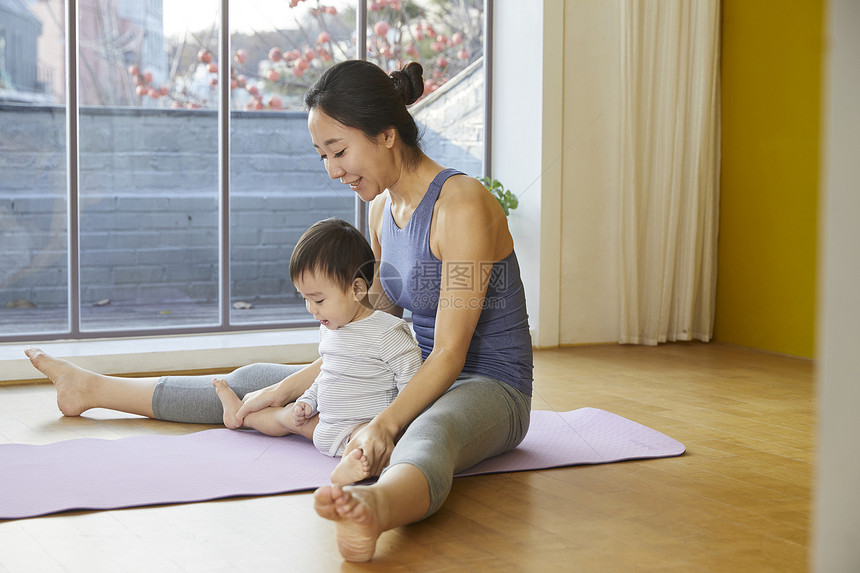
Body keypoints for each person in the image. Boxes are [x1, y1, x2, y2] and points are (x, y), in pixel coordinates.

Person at [24, 59, 533, 562]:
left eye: (338, 151)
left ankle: (373, 508)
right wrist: (290, 386)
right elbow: (372, 327)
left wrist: (384, 425)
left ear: (385, 135)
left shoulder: (462, 206)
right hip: (408, 373)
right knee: (255, 380)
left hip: (487, 386)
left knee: (428, 430)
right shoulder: (382, 209)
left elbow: (447, 353)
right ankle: (92, 389)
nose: (332, 170)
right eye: (322, 155)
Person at [211, 218, 422, 487]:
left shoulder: (388, 332)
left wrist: (396, 427)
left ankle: (353, 467)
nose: (312, 309)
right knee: (282, 417)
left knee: (373, 448)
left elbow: (412, 386)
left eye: (319, 300)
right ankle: (239, 415)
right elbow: (326, 375)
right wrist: (308, 402)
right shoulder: (331, 328)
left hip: (360, 428)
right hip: (323, 427)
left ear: (357, 289)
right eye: (305, 299)